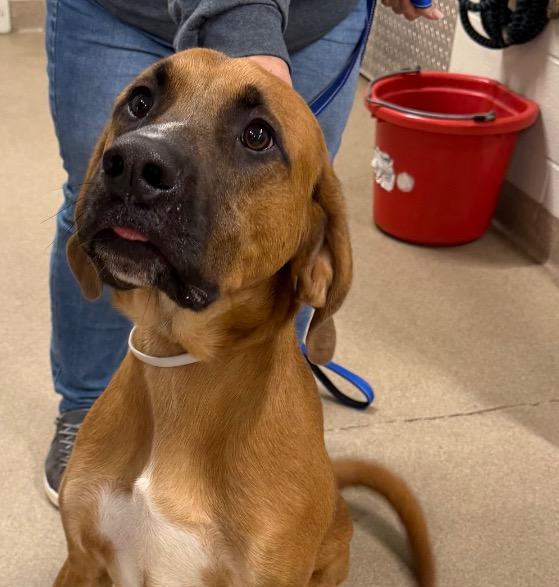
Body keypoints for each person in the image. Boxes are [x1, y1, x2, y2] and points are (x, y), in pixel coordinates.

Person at [43, 0, 441, 504]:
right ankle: (85, 408)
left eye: (256, 137)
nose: (139, 157)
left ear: (322, 260)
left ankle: (254, 434)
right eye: (141, 106)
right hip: (124, 10)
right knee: (90, 195)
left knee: (278, 225)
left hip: (316, 19)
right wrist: (245, 27)